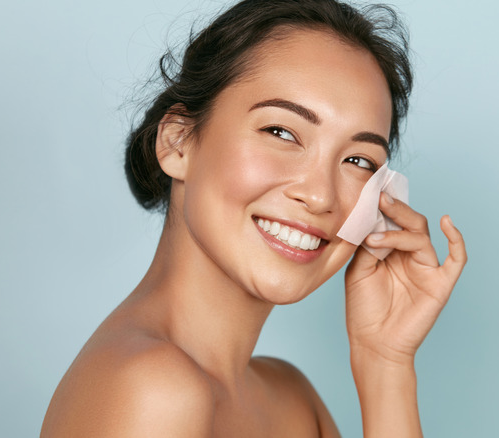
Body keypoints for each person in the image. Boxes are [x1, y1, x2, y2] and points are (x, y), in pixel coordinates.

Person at [41, 0, 467, 436]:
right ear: (178, 141)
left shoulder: (290, 398)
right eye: (281, 132)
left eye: (358, 160)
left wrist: (385, 362)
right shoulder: (151, 388)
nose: (320, 196)